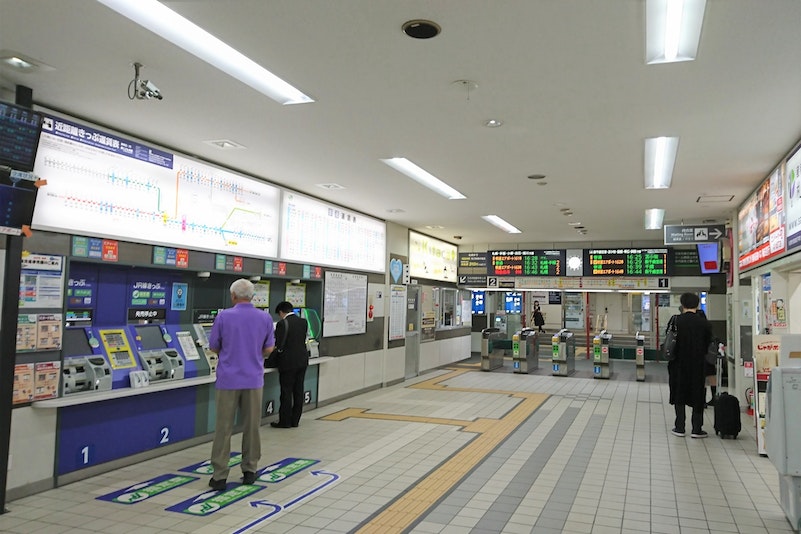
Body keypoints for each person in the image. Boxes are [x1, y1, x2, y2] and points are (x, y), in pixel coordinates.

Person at [207, 279, 275, 490]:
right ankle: (250, 470)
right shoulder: (264, 317)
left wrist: (230, 354)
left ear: (233, 296)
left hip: (228, 380)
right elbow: (269, 348)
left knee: (223, 428)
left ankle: (219, 475)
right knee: (252, 426)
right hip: (254, 379)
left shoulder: (223, 316)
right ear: (252, 296)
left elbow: (213, 347)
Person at [668, 293, 712, 438]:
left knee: (679, 391)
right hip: (698, 364)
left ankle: (679, 427)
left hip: (678, 364)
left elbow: (668, 341)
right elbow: (708, 344)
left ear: (682, 304)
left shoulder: (675, 321)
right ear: (697, 304)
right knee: (697, 393)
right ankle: (696, 429)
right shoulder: (704, 323)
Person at [269, 301, 310, 429]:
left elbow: (279, 344)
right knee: (298, 391)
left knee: (286, 392)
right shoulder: (303, 322)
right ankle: (295, 420)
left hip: (288, 363)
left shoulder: (282, 324)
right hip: (302, 361)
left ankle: (285, 421)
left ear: (281, 312)